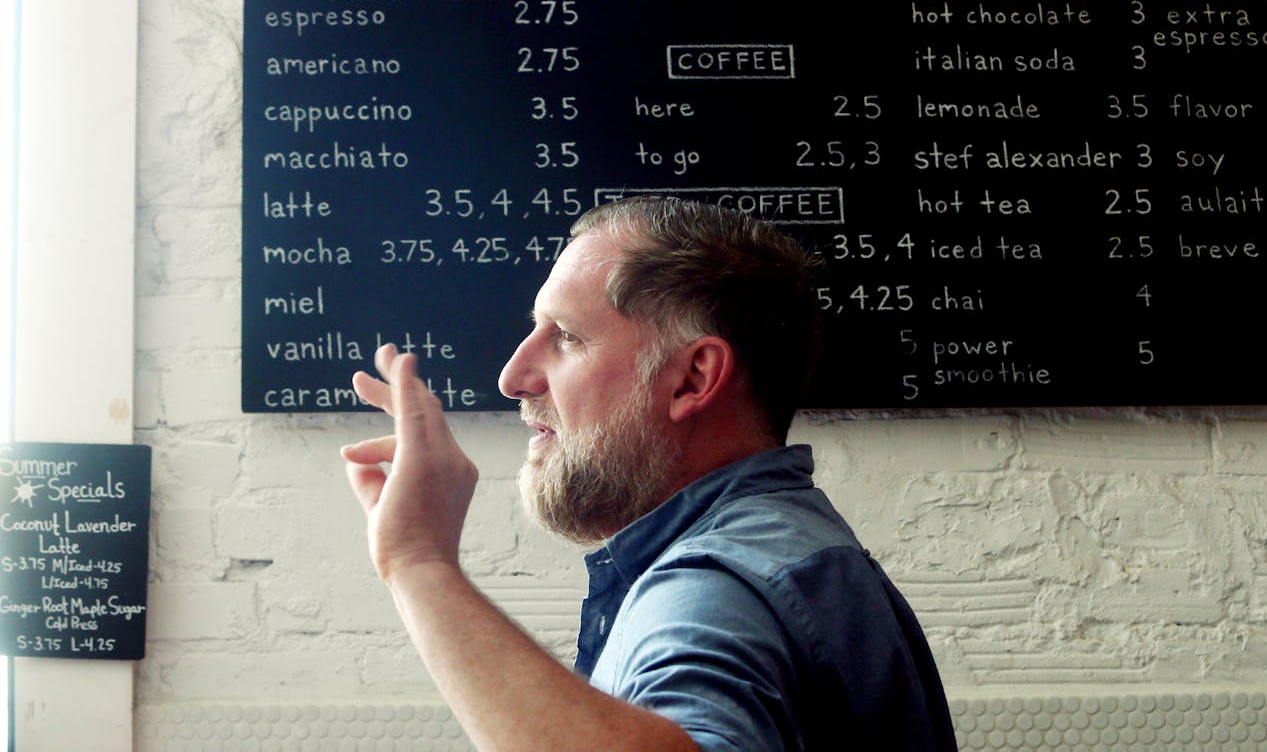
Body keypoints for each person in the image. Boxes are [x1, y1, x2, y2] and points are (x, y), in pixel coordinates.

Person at [341, 195, 957, 752]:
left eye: (568, 338)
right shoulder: (793, 550)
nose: (514, 377)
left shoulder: (715, 590)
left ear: (692, 378)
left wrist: (418, 561)